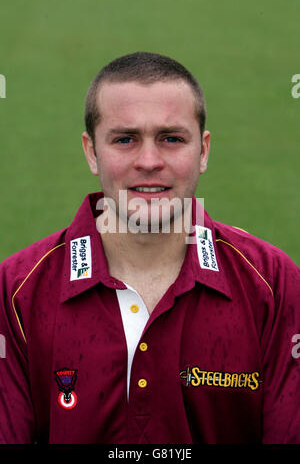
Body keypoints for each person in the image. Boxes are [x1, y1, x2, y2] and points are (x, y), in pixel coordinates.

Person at [0, 52, 299, 444]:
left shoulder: (273, 283)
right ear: (91, 152)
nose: (149, 161)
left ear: (203, 151)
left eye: (171, 139)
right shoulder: (17, 289)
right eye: (125, 139)